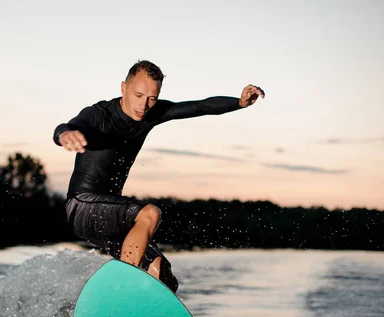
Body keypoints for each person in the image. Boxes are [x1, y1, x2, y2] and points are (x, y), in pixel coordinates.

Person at [53, 60, 264, 293]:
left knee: (162, 276)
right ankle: (122, 294)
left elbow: (198, 107)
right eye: (138, 95)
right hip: (82, 206)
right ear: (124, 88)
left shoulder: (152, 113)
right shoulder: (99, 114)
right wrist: (65, 133)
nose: (144, 105)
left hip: (114, 216)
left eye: (152, 98)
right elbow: (67, 126)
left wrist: (239, 102)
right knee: (150, 213)